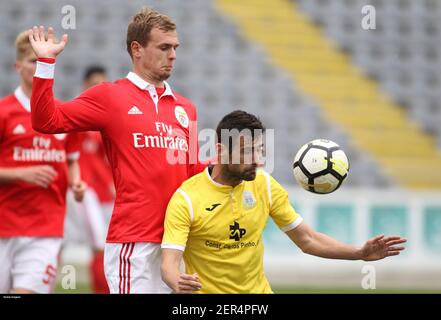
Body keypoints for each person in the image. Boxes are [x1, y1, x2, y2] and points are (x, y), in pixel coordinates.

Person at [28, 7, 205, 293]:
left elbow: (193, 169)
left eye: (175, 47)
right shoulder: (110, 96)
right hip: (133, 243)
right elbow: (46, 120)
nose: (173, 54)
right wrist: (46, 62)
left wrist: (227, 164)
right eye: (164, 47)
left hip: (176, 243)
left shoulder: (186, 108)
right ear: (136, 49)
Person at [160, 110, 407, 293]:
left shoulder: (264, 185)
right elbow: (169, 264)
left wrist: (359, 253)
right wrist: (177, 282)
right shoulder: (187, 199)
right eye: (247, 151)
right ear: (221, 150)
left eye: (260, 150)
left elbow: (308, 240)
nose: (257, 160)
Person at [0, 31, 86, 294]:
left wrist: (77, 183)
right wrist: (20, 175)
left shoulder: (62, 114)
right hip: (4, 224)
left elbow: (72, 161)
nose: (36, 67)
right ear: (18, 66)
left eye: (42, 62)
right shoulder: (4, 112)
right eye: (31, 61)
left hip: (46, 227)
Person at [63, 66, 113, 293]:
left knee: (109, 247)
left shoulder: (109, 120)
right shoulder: (77, 115)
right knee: (99, 246)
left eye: (103, 84)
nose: (98, 89)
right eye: (94, 84)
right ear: (85, 86)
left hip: (106, 193)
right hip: (84, 191)